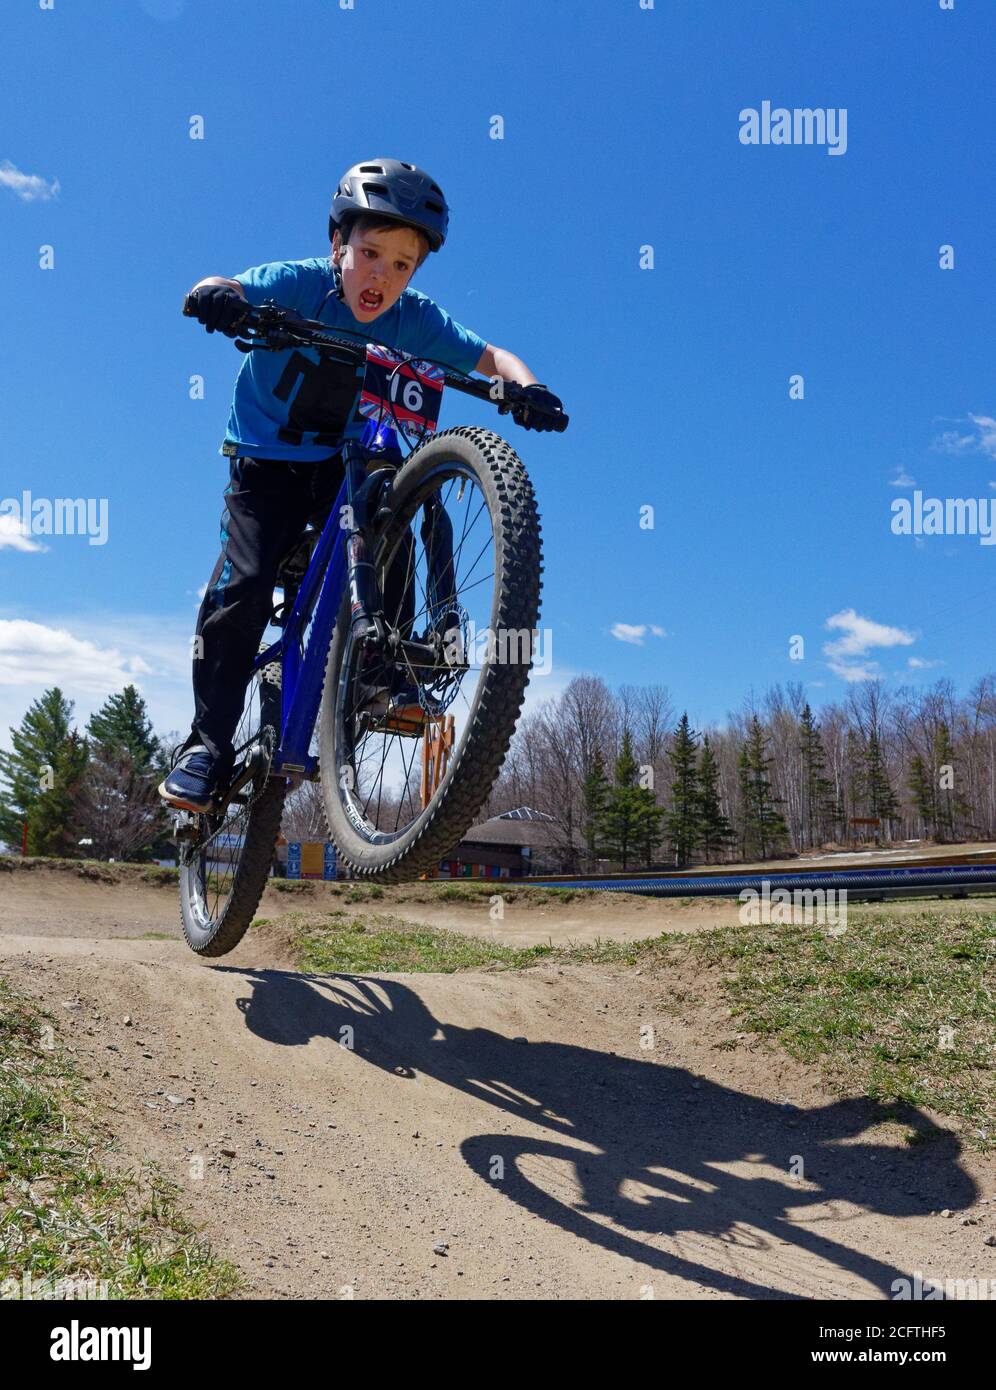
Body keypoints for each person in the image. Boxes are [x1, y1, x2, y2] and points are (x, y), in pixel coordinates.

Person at [160, 157, 564, 813]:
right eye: (369, 253)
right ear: (337, 244)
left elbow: (491, 357)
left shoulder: (415, 320)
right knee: (248, 583)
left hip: (344, 468)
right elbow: (228, 281)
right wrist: (218, 297)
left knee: (397, 504)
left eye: (401, 265)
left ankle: (380, 667)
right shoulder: (297, 285)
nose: (381, 276)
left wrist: (527, 387)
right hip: (268, 466)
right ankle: (205, 746)